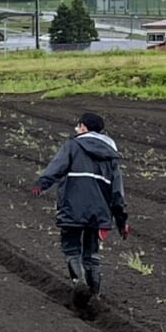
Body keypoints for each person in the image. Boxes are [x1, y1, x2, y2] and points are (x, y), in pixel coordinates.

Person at [31, 112, 129, 311]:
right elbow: (117, 192)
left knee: (72, 249)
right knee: (92, 254)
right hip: (99, 213)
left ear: (83, 127)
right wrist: (121, 221)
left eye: (78, 126)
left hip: (72, 208)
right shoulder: (112, 156)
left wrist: (41, 184)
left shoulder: (72, 146)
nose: (76, 129)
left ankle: (79, 281)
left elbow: (56, 168)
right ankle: (94, 296)